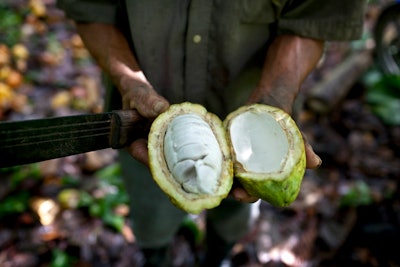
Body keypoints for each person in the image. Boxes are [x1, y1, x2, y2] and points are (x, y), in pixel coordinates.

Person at [56, 1, 367, 266]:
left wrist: (277, 94)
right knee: (151, 214)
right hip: (142, 120)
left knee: (236, 215)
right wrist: (129, 82)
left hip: (249, 98)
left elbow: (316, 14)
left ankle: (218, 256)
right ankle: (156, 256)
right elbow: (91, 8)